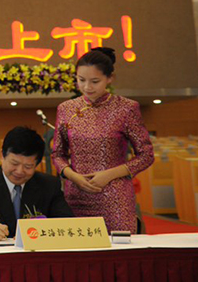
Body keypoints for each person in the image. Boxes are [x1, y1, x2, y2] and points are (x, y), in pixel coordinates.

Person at [52, 47, 154, 233]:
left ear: (110, 78)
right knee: (79, 246)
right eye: (81, 80)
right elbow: (57, 154)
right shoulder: (66, 109)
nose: (87, 87)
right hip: (76, 195)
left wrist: (108, 175)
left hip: (114, 196)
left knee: (120, 246)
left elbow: (146, 155)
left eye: (95, 81)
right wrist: (73, 176)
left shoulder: (126, 108)